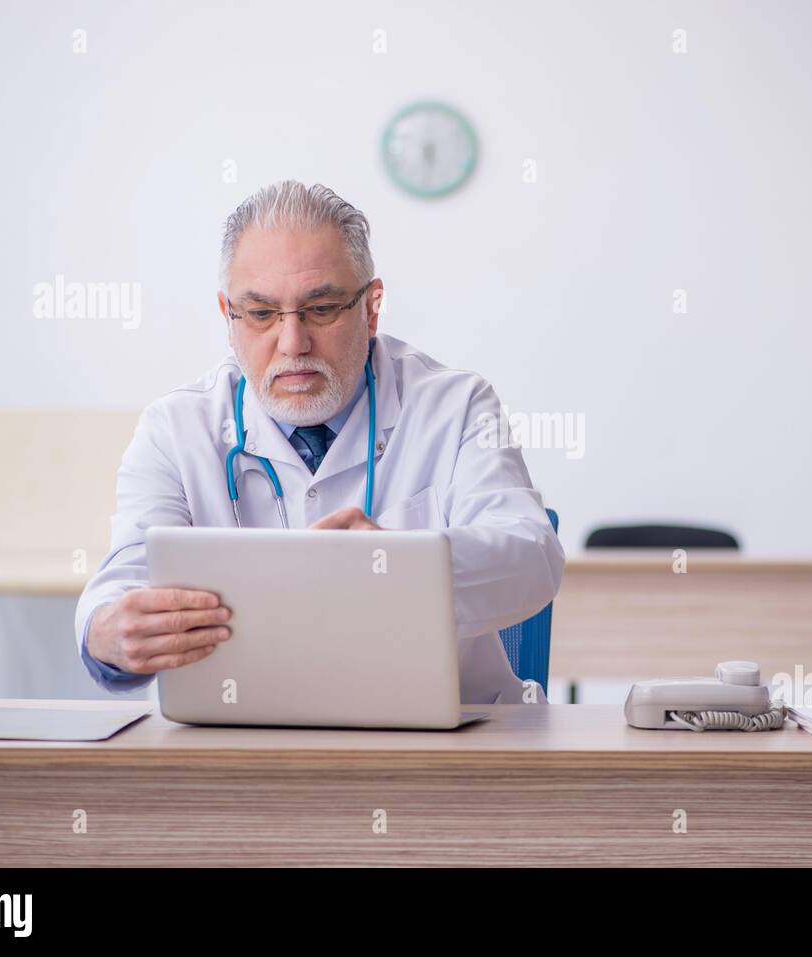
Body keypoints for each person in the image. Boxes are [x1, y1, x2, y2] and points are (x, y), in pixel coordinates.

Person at [75, 180, 563, 704]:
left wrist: (403, 567)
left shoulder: (455, 404)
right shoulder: (176, 428)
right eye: (261, 314)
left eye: (322, 308)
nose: (292, 343)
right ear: (228, 316)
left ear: (371, 307)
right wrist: (108, 635)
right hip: (242, 749)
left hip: (442, 749)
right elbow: (124, 574)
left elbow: (532, 554)